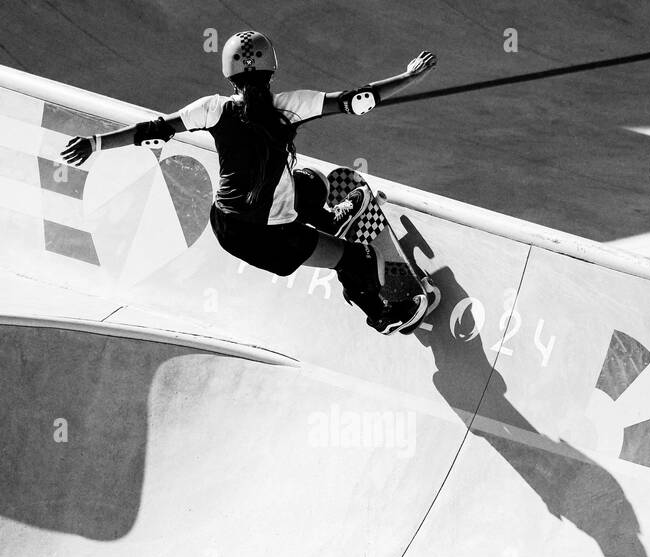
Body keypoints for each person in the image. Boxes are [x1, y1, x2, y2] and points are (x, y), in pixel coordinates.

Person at [62, 31, 437, 334]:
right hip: (273, 240)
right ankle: (382, 314)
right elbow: (358, 100)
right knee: (357, 259)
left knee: (309, 185)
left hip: (227, 227)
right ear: (271, 69)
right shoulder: (291, 106)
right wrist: (411, 76)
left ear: (229, 74)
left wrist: (95, 143)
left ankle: (332, 222)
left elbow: (152, 131)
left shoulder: (210, 108)